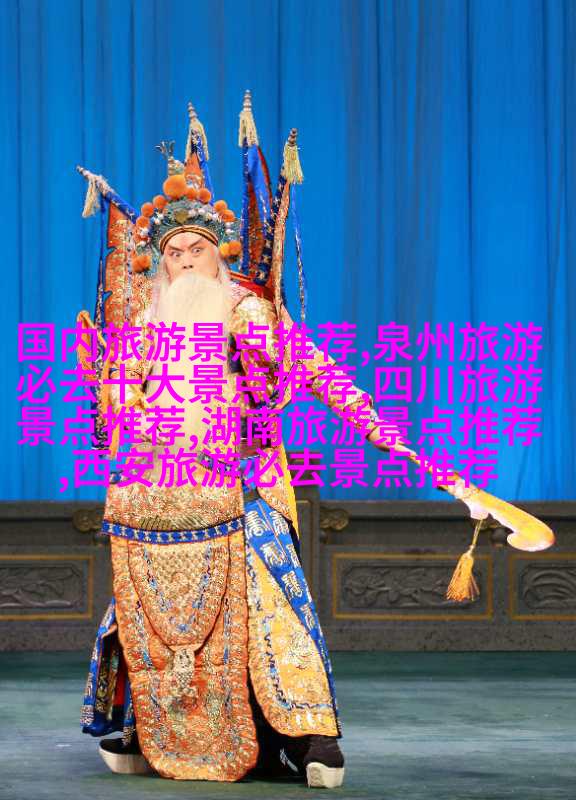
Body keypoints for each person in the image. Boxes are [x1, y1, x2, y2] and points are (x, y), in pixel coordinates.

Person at [77, 93, 554, 788]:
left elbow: (325, 378)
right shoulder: (144, 329)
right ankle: (142, 721)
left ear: (217, 256)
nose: (184, 263)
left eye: (196, 250)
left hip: (242, 489)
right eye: (173, 253)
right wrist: (109, 388)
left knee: (273, 598)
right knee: (140, 604)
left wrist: (416, 457)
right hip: (159, 496)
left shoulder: (248, 312)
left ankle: (309, 735)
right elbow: (116, 415)